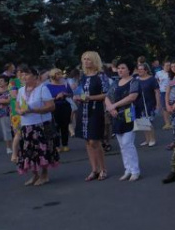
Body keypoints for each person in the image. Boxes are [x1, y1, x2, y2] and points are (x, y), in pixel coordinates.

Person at [13, 65, 59, 186]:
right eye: (22, 74)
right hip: (27, 126)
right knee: (29, 152)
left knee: (43, 150)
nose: (23, 77)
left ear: (35, 76)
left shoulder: (42, 88)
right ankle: (35, 175)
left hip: (41, 125)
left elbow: (51, 106)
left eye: (26, 74)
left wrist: (33, 110)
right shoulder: (21, 90)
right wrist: (19, 111)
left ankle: (44, 175)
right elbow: (17, 105)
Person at [74, 51, 109, 181]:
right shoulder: (82, 77)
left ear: (94, 60)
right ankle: (94, 169)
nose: (86, 61)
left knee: (95, 140)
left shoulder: (101, 76)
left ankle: (103, 168)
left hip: (95, 110)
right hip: (82, 110)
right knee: (88, 141)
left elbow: (106, 94)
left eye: (88, 59)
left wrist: (90, 97)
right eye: (84, 59)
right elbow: (79, 92)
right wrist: (77, 97)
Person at [105, 59, 141, 181]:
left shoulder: (134, 82)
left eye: (123, 68)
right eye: (119, 68)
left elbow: (132, 97)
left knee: (128, 143)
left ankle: (135, 170)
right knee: (122, 144)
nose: (120, 70)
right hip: (117, 116)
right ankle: (128, 169)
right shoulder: (115, 82)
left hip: (129, 114)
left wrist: (114, 105)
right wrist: (110, 108)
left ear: (129, 70)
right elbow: (107, 97)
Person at [45, 69, 73, 153]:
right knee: (55, 126)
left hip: (65, 106)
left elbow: (71, 94)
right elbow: (46, 99)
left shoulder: (65, 84)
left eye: (60, 74)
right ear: (53, 75)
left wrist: (65, 94)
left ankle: (65, 144)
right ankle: (56, 145)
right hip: (54, 106)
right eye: (57, 74)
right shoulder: (48, 86)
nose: (60, 75)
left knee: (65, 125)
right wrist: (56, 97)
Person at [135, 62, 161, 148]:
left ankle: (152, 139)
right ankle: (147, 139)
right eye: (138, 69)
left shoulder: (152, 79)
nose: (139, 71)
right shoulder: (136, 80)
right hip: (139, 103)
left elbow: (157, 92)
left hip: (149, 103)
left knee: (148, 122)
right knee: (142, 122)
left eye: (141, 69)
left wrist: (158, 104)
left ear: (146, 70)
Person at [0, 75, 13, 153]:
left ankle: (8, 148)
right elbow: (5, 101)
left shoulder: (9, 90)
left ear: (6, 82)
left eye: (1, 81)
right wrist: (2, 100)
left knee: (7, 130)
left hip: (5, 112)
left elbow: (9, 101)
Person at [156, 61, 172, 130]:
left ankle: (173, 122)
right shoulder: (159, 73)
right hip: (163, 92)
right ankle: (167, 123)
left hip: (172, 92)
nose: (168, 67)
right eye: (167, 65)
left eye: (169, 65)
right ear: (163, 66)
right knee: (165, 108)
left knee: (172, 106)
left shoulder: (172, 73)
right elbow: (156, 81)